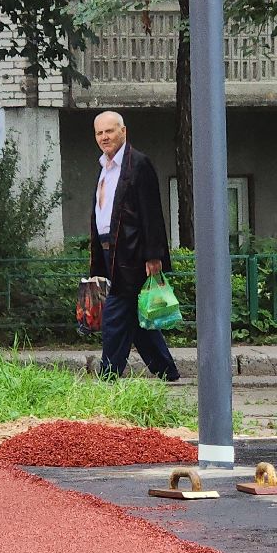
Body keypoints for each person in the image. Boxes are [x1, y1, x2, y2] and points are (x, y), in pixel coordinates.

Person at [87, 111, 180, 381]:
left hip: (132, 253)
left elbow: (151, 213)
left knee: (115, 314)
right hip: (107, 251)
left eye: (109, 131)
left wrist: (154, 256)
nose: (104, 137)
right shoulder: (103, 167)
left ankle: (108, 374)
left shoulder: (138, 163)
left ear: (123, 131)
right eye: (99, 133)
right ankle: (167, 371)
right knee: (140, 320)